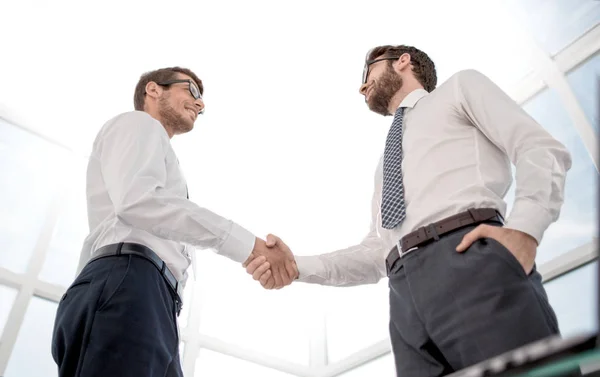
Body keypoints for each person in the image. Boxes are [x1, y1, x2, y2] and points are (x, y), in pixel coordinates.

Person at [244, 45, 573, 376]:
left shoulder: (460, 88)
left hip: (470, 259)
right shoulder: (383, 166)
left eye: (367, 73)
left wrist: (525, 231)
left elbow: (538, 147)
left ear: (402, 61)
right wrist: (296, 265)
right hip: (402, 295)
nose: (361, 87)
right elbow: (376, 251)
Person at [51, 66, 297, 377]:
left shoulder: (160, 153)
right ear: (153, 90)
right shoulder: (138, 124)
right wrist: (249, 246)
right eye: (191, 90)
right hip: (129, 282)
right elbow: (139, 201)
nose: (200, 104)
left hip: (151, 298)